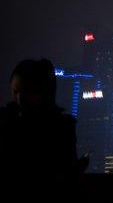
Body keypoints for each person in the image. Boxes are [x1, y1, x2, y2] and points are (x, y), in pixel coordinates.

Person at [0, 59, 84, 199]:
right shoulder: (5, 119)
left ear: (43, 91)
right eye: (15, 91)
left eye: (26, 92)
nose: (19, 99)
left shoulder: (62, 126)